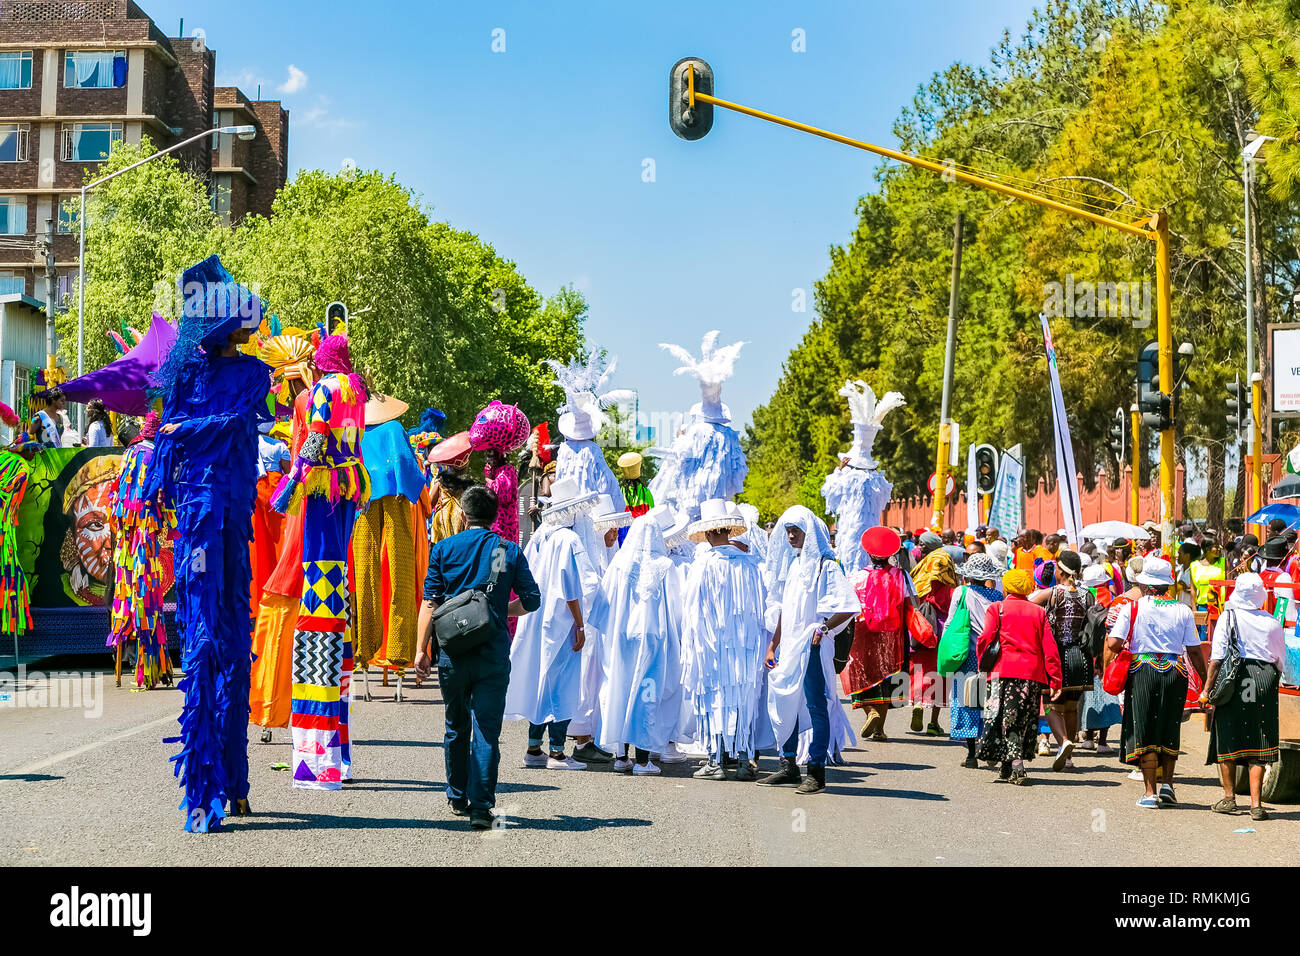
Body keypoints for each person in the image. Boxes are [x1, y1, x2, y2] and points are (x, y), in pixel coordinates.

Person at [146, 254, 270, 831]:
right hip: (201, 524)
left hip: (225, 523)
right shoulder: (197, 374)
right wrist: (154, 485)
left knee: (230, 637)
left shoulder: (250, 374)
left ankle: (232, 783)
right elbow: (166, 446)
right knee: (204, 642)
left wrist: (180, 432)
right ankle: (207, 788)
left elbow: (232, 421)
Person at [273, 332, 369, 790]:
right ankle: (337, 759)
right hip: (348, 488)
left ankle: (317, 763)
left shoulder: (325, 393)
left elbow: (313, 442)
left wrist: (289, 484)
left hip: (323, 492)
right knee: (336, 587)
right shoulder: (356, 391)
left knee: (320, 607)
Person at [415, 485, 539, 829]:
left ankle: (457, 795)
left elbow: (430, 603)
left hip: (453, 652)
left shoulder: (443, 549)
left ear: (465, 514)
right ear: (496, 514)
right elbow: (532, 600)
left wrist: (420, 651)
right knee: (486, 730)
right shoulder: (506, 550)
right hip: (492, 653)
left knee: (455, 725)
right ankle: (482, 807)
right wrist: (499, 609)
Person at [504, 477, 601, 770]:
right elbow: (574, 586)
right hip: (561, 622)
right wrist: (581, 625)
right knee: (562, 686)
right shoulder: (569, 540)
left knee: (539, 680)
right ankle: (558, 752)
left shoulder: (541, 535)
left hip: (533, 616)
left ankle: (534, 749)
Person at [761, 506, 859, 794]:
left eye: (796, 530)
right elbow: (785, 610)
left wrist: (824, 629)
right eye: (788, 530)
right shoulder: (793, 565)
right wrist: (773, 645)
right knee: (785, 701)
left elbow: (849, 606)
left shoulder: (826, 566)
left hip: (812, 648)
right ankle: (788, 766)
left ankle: (816, 771)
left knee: (817, 705)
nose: (791, 535)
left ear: (810, 532)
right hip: (789, 647)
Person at [1106, 556, 1207, 809]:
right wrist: (1205, 682)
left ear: (1147, 586)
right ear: (1167, 585)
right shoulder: (1182, 610)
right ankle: (1168, 787)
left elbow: (1113, 643)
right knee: (1170, 727)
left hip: (1143, 670)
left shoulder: (1133, 608)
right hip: (1175, 672)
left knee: (1145, 729)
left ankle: (1150, 792)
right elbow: (1194, 651)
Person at [591, 510, 683, 776]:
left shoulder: (619, 563)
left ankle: (621, 757)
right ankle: (643, 760)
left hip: (621, 638)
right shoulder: (665, 567)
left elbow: (603, 604)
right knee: (646, 694)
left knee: (618, 689)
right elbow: (675, 609)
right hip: (652, 639)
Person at [681, 499, 768, 781]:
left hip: (711, 646)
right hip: (744, 646)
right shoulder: (750, 564)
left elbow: (692, 611)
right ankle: (744, 760)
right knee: (742, 699)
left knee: (714, 698)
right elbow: (759, 608)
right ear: (729, 530)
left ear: (707, 534)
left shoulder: (703, 564)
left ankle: (715, 761)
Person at [354, 393, 426, 684]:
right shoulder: (395, 429)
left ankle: (364, 645)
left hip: (365, 500)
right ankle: (398, 649)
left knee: (365, 574)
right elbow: (409, 468)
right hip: (394, 497)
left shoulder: (355, 431)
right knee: (401, 572)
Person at [1200, 573, 1285, 821]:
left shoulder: (1229, 617)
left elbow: (1217, 658)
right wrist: (1268, 683)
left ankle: (1229, 798)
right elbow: (1280, 662)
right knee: (1259, 740)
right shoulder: (1272, 623)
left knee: (1227, 735)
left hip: (1234, 681)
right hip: (1264, 680)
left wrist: (1206, 691)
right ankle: (1256, 805)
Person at [106, 412, 175, 689]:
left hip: (125, 534)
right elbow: (160, 495)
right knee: (146, 596)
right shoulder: (154, 455)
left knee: (127, 592)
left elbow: (115, 493)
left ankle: (130, 659)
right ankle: (149, 663)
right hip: (144, 533)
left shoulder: (130, 453)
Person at [975, 569, 1063, 785]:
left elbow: (986, 638)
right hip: (1030, 675)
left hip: (1000, 672)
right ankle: (1007, 766)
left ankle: (1016, 767)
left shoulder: (997, 608)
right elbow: (1049, 648)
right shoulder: (1038, 612)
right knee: (1021, 718)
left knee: (1001, 717)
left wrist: (981, 663)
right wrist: (1055, 678)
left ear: (1006, 588)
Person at [649, 332, 748, 518]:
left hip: (693, 506)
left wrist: (679, 441)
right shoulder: (727, 436)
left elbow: (680, 468)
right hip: (718, 507)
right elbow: (734, 477)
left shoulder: (695, 433)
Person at [819, 380, 905, 573]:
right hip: (869, 533)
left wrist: (839, 471)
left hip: (851, 534)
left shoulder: (849, 478)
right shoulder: (876, 479)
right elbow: (883, 501)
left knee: (852, 561)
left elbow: (831, 497)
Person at [843, 526, 910, 740]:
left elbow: (849, 607)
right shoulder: (901, 576)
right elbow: (910, 603)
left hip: (862, 633)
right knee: (886, 676)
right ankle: (880, 728)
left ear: (868, 553)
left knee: (862, 674)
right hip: (892, 634)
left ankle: (869, 711)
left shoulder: (856, 577)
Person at [1030, 550, 1092, 770]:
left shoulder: (1052, 594)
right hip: (1079, 656)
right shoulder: (1087, 595)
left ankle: (1063, 741)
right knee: (1072, 707)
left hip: (1055, 656)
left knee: (1049, 706)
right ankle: (1068, 757)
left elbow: (1028, 605)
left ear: (1060, 570)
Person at [946, 553, 1003, 767]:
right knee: (991, 701)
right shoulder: (998, 596)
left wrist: (946, 650)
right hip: (993, 654)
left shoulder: (960, 592)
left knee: (967, 700)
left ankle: (971, 755)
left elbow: (950, 623)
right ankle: (989, 749)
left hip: (967, 654)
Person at [910, 533, 956, 735]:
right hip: (940, 630)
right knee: (940, 674)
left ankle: (917, 704)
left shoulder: (918, 575)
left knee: (918, 669)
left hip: (920, 629)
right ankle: (933, 723)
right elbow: (951, 606)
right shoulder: (947, 584)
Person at [1078, 563, 1120, 754]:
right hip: (1106, 653)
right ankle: (1102, 741)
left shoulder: (1082, 596)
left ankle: (1087, 737)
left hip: (1085, 652)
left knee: (1087, 696)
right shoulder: (1112, 599)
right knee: (1105, 696)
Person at [0, 432, 37, 647]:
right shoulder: (21, 468)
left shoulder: (4, 459)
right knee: (11, 576)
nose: (34, 454)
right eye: (32, 449)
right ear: (23, 450)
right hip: (4, 528)